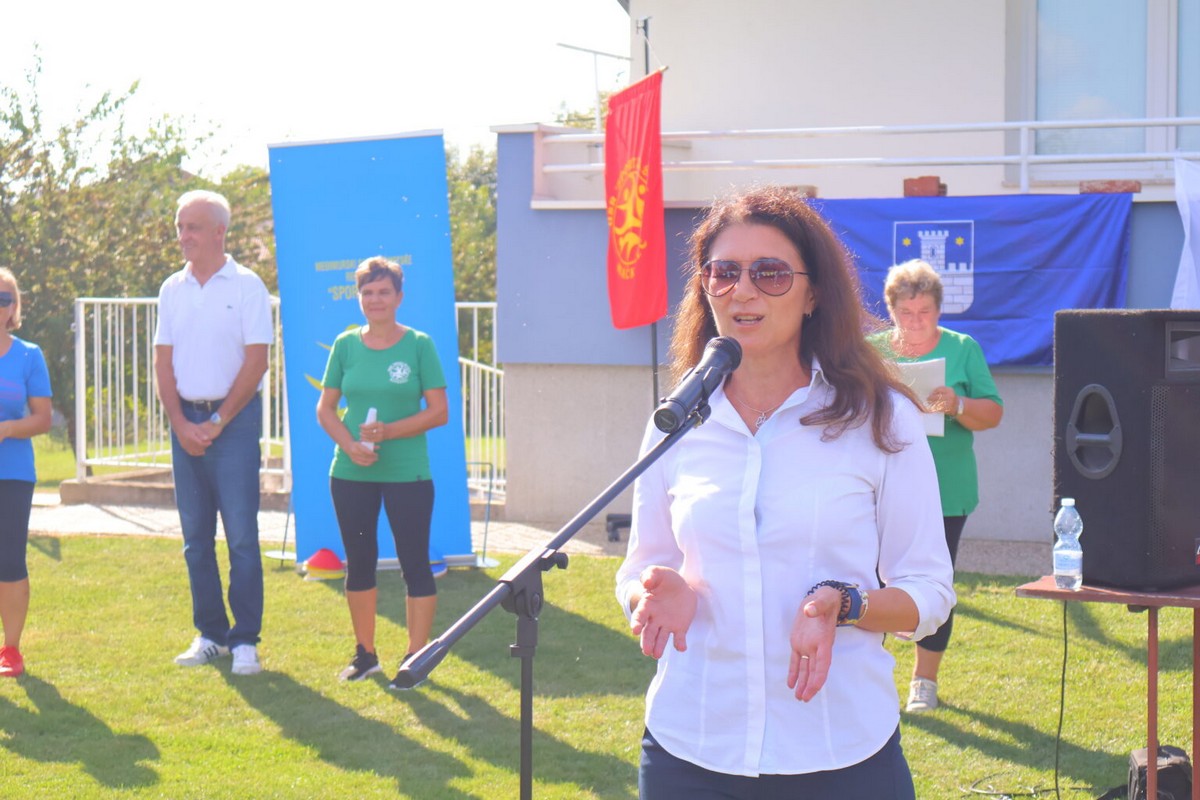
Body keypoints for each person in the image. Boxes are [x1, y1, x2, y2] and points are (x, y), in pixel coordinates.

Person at [615, 186, 955, 799]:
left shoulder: (881, 420)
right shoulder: (676, 422)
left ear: (813, 293)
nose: (742, 290)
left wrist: (845, 605)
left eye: (769, 273)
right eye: (722, 273)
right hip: (691, 746)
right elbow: (643, 568)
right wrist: (654, 595)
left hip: (840, 750)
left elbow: (929, 591)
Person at [869, 259, 1003, 714]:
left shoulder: (963, 349)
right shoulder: (869, 350)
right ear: (891, 310)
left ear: (939, 310)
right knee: (868, 578)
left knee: (936, 582)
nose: (915, 322)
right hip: (878, 485)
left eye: (924, 312)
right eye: (906, 313)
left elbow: (993, 414)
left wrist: (958, 402)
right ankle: (870, 671)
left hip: (947, 488)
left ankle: (923, 681)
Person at [154, 190, 273, 676]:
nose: (184, 237)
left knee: (242, 536)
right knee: (195, 539)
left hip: (236, 423)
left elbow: (257, 360)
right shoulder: (171, 288)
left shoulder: (247, 286)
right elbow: (163, 362)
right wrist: (181, 424)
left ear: (220, 232)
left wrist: (217, 422)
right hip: (185, 421)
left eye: (193, 228)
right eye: (180, 227)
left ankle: (245, 640)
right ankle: (210, 635)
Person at [316, 257, 448, 687]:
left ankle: (416, 658)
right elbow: (326, 408)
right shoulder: (346, 345)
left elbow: (439, 411)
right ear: (359, 298)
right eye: (367, 292)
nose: (375, 300)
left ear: (399, 297)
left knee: (415, 564)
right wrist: (350, 445)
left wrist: (388, 432)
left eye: (383, 292)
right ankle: (365, 654)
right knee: (359, 564)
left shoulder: (419, 345)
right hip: (351, 473)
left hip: (408, 473)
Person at [0, 268, 53, 678]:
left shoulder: (29, 355)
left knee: (9, 560)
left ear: (13, 308)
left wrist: (7, 430)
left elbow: (42, 419)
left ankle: (11, 650)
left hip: (13, 474)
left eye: (4, 299)